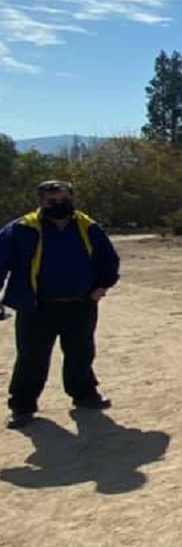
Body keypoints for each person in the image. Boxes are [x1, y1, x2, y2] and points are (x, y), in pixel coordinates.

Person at [0, 180, 120, 429]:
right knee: (31, 358)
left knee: (81, 353)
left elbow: (109, 259)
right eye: (52, 201)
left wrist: (102, 286)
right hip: (36, 307)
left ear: (72, 199)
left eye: (64, 199)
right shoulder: (22, 230)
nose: (59, 204)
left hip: (81, 305)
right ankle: (22, 407)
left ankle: (84, 394)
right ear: (41, 202)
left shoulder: (88, 227)